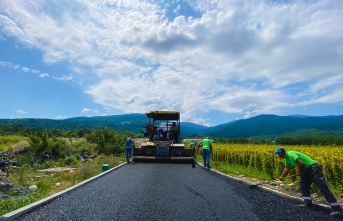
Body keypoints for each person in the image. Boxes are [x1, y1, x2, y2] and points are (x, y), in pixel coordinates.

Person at [275, 147, 343, 217]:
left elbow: (301, 163)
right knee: (303, 186)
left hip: (314, 169)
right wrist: (282, 176)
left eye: (278, 154)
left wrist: (299, 171)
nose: (278, 156)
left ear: (282, 153)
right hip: (306, 171)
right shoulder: (287, 159)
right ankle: (307, 203)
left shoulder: (291, 154)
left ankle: (337, 210)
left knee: (323, 188)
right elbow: (287, 168)